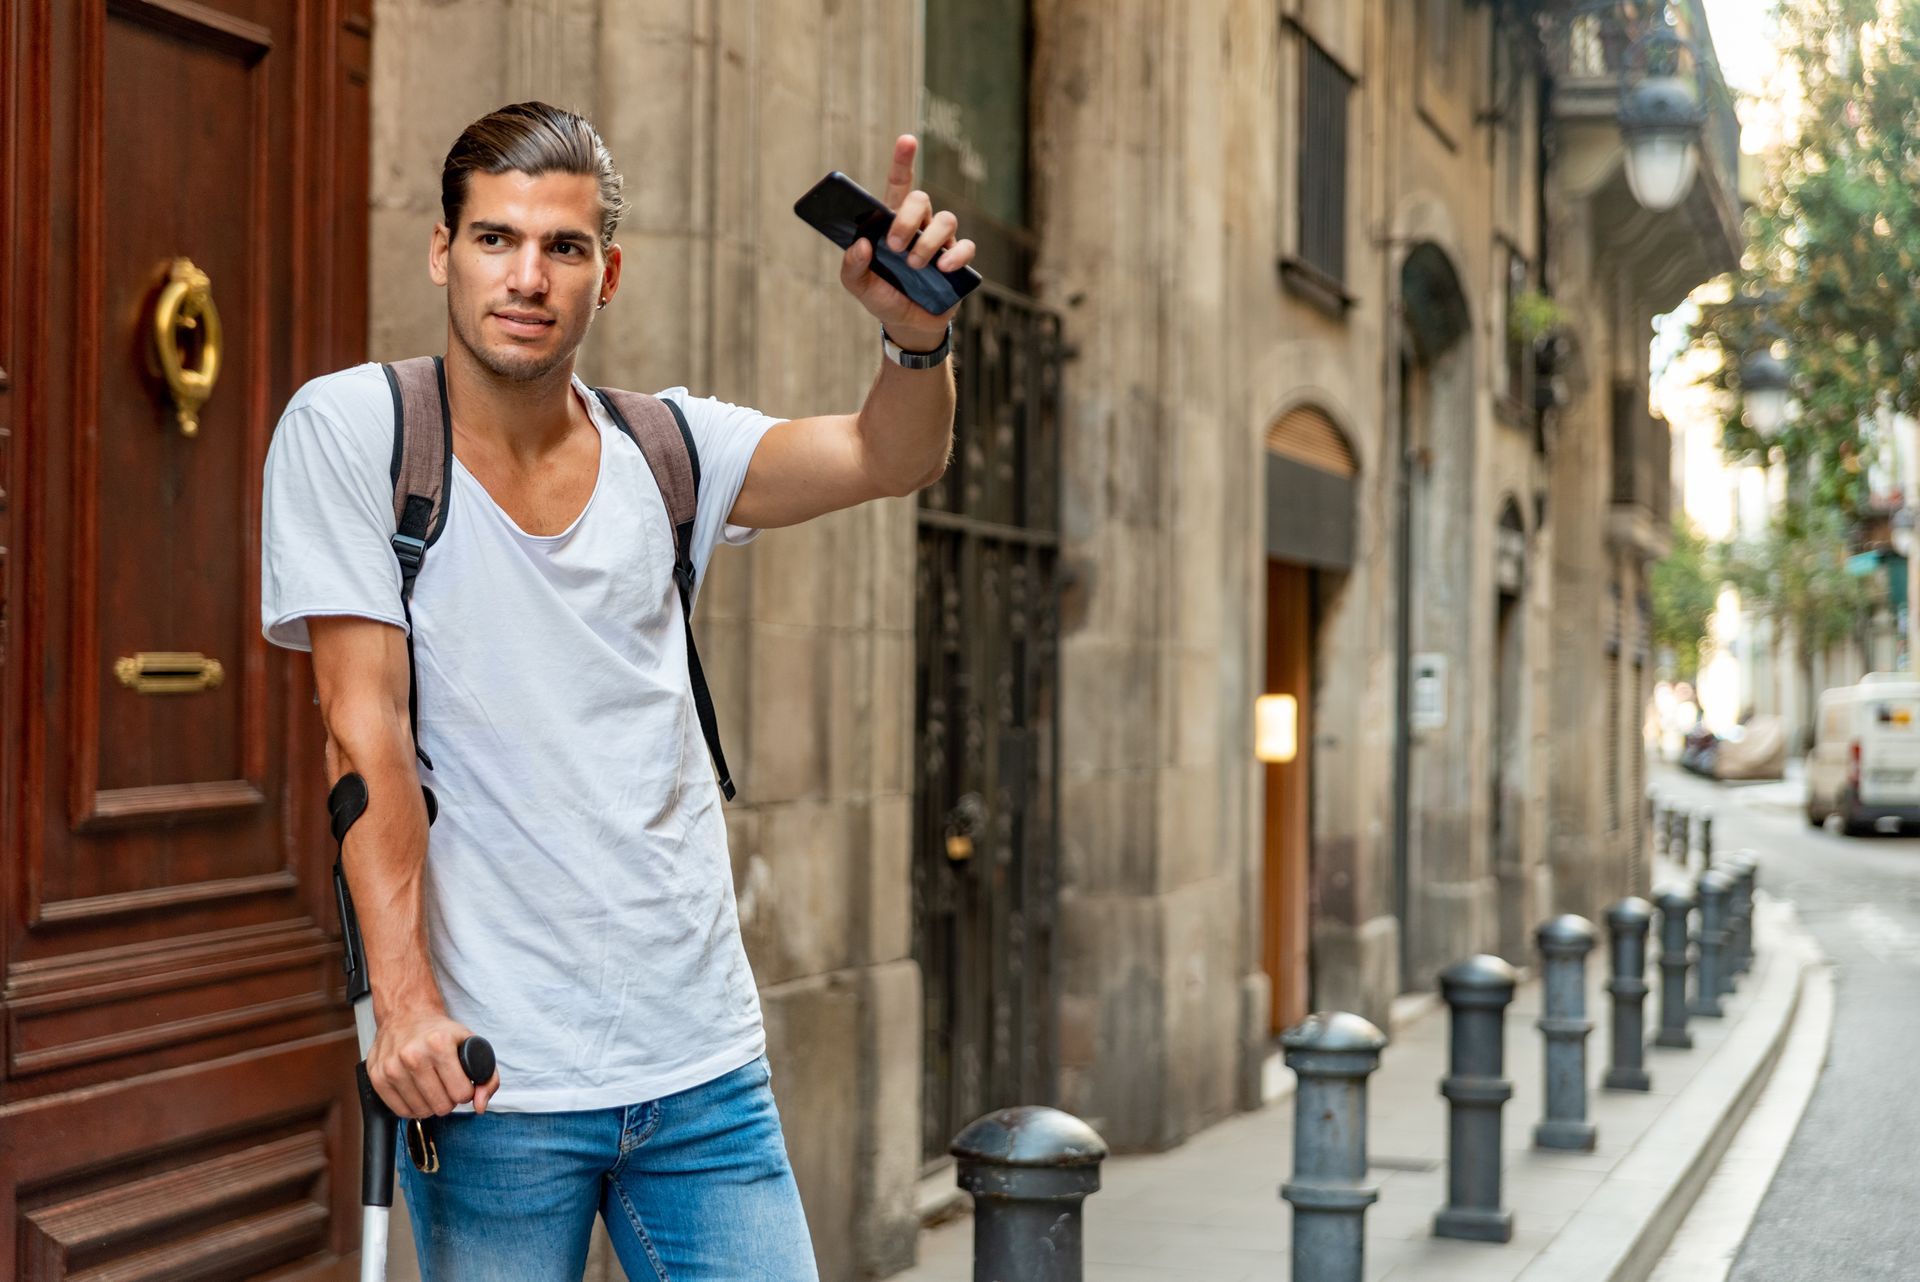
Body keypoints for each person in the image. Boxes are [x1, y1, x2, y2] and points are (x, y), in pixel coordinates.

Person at [260, 101, 973, 1281]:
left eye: (565, 247)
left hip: (702, 1070)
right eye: (496, 239)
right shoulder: (357, 433)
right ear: (443, 252)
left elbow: (886, 455)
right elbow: (363, 730)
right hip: (495, 1082)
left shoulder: (669, 449)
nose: (527, 275)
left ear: (611, 273)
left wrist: (915, 345)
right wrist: (406, 1006)